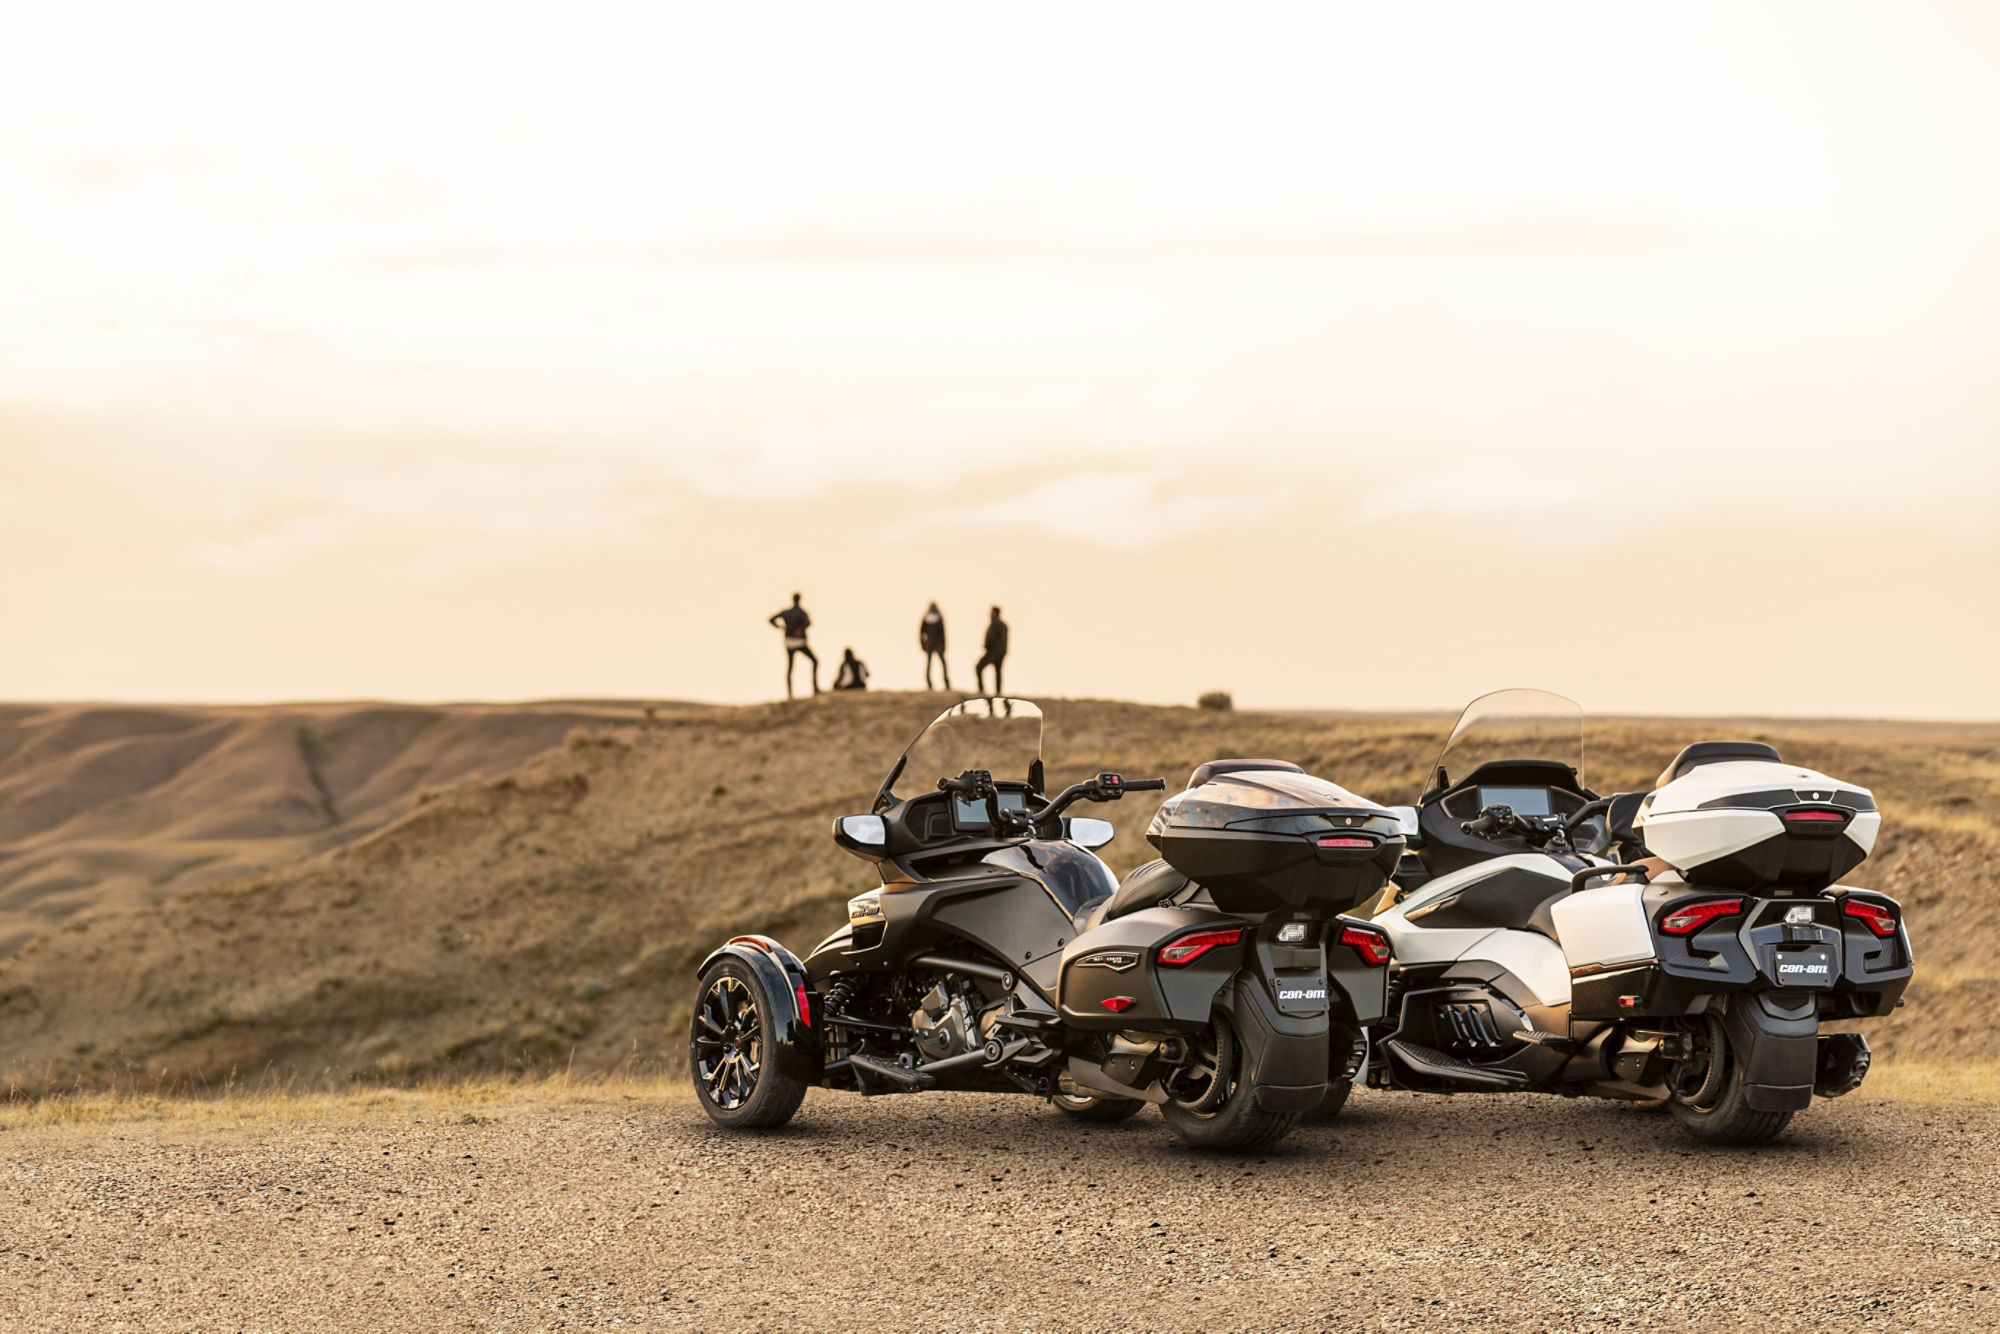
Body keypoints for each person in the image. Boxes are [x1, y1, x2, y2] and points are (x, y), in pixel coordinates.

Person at [768, 593, 818, 698]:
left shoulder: (786, 612)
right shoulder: (802, 612)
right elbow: (808, 623)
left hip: (789, 642)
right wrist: (800, 629)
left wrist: (781, 627)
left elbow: (771, 619)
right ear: (800, 599)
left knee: (790, 667)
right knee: (815, 661)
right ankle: (815, 687)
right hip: (800, 642)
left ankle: (790, 693)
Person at [975, 605, 1008, 696]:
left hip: (993, 652)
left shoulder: (995, 624)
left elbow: (991, 638)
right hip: (1000, 653)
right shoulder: (1003, 625)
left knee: (978, 667)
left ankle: (981, 690)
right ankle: (998, 692)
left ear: (995, 613)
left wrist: (987, 646)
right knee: (998, 672)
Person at [918, 601, 949, 690]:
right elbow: (921, 633)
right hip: (933, 644)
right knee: (931, 664)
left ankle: (944, 682)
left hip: (934, 644)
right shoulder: (932, 618)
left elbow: (942, 633)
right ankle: (930, 684)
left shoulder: (929, 618)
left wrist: (923, 644)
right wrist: (923, 644)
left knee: (936, 664)